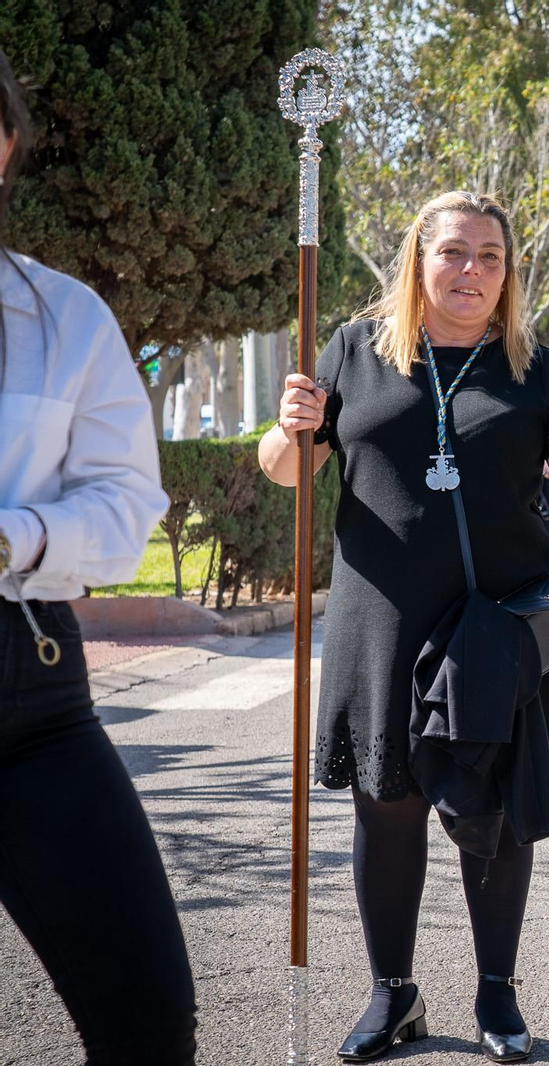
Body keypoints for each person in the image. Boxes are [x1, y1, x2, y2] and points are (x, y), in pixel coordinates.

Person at [258, 190, 549, 1063]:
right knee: (387, 807)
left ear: (509, 272)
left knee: (492, 810)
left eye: (491, 258)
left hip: (496, 628)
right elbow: (286, 471)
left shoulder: (532, 365)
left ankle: (498, 992)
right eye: (455, 253)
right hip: (378, 621)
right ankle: (394, 993)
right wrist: (288, 426)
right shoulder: (354, 349)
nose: (473, 272)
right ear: (417, 261)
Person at [0, 52, 197, 1064]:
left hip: (28, 694)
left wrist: (19, 536)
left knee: (150, 1020)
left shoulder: (63, 316)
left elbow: (127, 504)